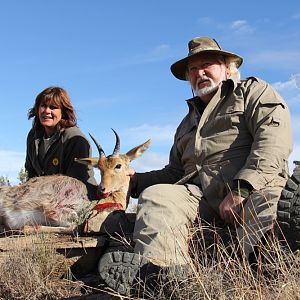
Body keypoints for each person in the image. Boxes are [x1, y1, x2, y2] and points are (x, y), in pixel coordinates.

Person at [98, 37, 293, 296]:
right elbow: (175, 173)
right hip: (202, 198)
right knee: (157, 196)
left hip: (255, 188)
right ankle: (166, 279)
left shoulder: (253, 92)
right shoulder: (186, 122)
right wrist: (135, 181)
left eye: (207, 64)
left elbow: (273, 143)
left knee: (271, 210)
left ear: (227, 67)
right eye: (192, 69)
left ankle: (263, 277)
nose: (199, 72)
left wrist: (242, 188)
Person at [25, 86, 98, 199]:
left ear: (63, 112)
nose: (47, 111)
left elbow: (75, 185)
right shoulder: (33, 135)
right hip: (45, 199)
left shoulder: (75, 139)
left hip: (77, 200)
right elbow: (31, 173)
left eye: (53, 107)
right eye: (43, 106)